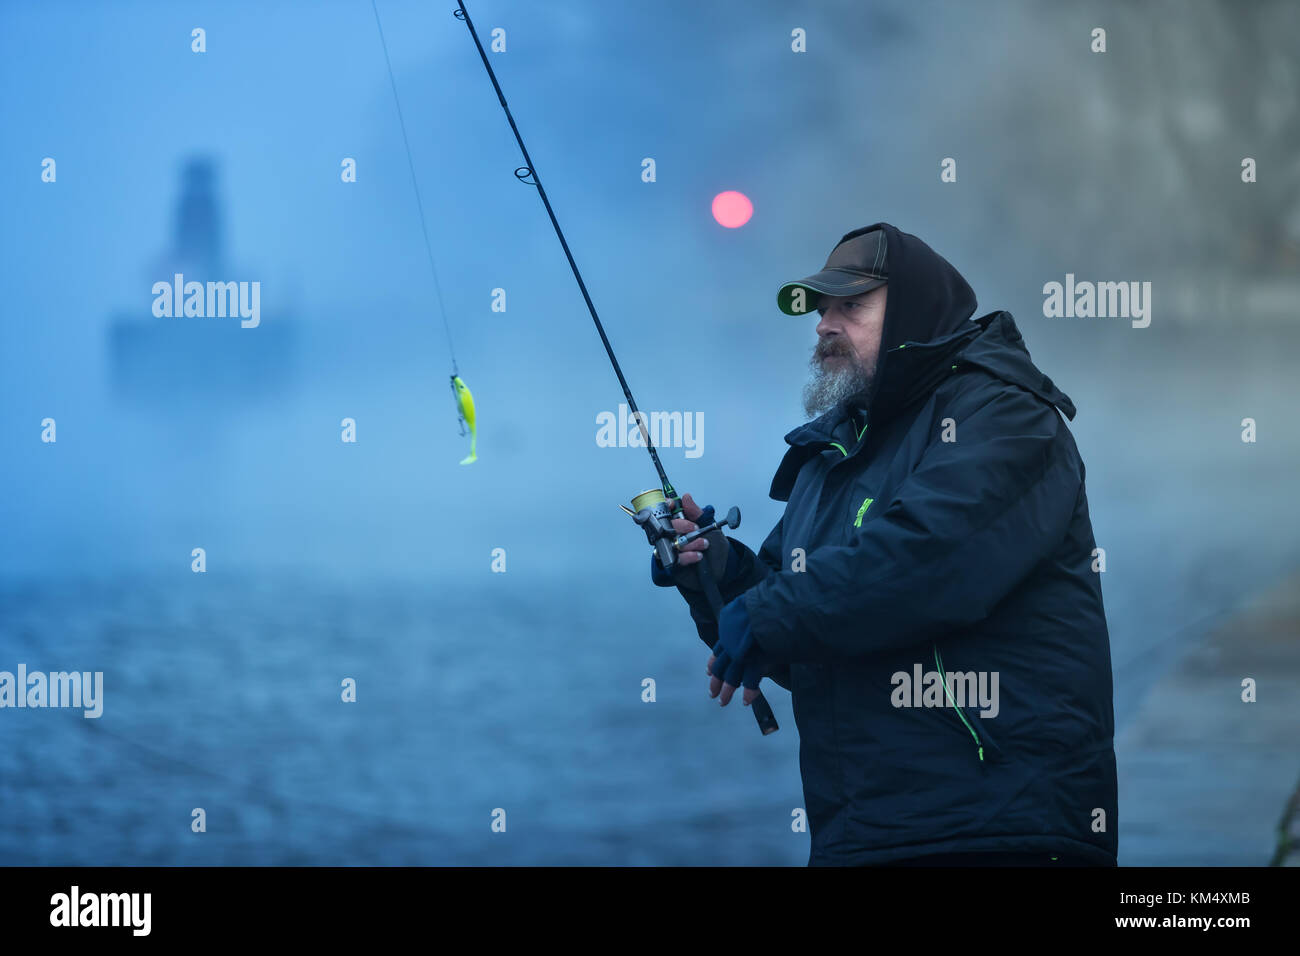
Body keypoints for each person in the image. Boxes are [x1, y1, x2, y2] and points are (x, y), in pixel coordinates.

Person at [653, 222, 1118, 866]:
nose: (824, 324)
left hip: (998, 829)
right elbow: (813, 631)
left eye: (851, 306)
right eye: (821, 309)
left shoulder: (1006, 417)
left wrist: (765, 615)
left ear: (912, 313)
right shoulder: (833, 453)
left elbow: (927, 566)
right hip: (862, 833)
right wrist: (722, 575)